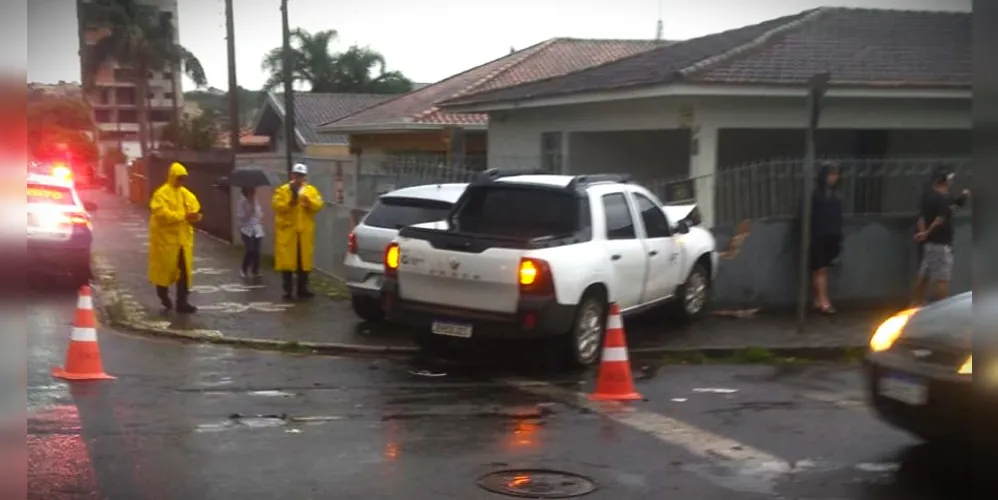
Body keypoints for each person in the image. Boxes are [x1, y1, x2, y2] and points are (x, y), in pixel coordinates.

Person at [148, 162, 202, 313]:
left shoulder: (186, 194)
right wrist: (183, 216)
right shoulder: (161, 194)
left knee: (184, 274)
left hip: (183, 242)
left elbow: (195, 209)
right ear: (172, 177)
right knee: (165, 272)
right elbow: (161, 214)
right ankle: (163, 295)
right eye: (179, 178)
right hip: (165, 242)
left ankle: (182, 302)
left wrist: (195, 217)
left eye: (183, 178)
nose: (181, 181)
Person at [912, 167, 969, 305]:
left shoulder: (928, 196)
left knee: (924, 275)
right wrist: (926, 232)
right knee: (942, 278)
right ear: (942, 181)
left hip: (929, 244)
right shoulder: (941, 199)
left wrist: (961, 201)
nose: (951, 182)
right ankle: (942, 306)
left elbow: (946, 212)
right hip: (941, 243)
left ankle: (916, 303)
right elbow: (941, 218)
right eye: (949, 179)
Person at [272, 163, 323, 300]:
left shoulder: (310, 191)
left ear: (305, 177)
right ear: (292, 175)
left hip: (304, 233)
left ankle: (303, 289)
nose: (299, 178)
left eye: (301, 176)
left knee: (303, 262)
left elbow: (318, 205)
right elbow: (276, 205)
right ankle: (288, 290)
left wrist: (309, 202)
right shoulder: (283, 190)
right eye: (297, 175)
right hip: (288, 232)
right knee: (287, 263)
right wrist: (289, 203)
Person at [809, 161, 843, 315]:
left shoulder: (835, 195)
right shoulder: (815, 195)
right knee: (820, 269)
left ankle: (818, 299)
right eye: (831, 174)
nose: (834, 178)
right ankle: (824, 301)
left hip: (831, 235)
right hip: (817, 236)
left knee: (821, 270)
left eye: (836, 174)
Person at [238, 187, 264, 278]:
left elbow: (260, 214)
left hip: (257, 229)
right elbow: (241, 217)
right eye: (250, 191)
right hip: (246, 229)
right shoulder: (242, 202)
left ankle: (255, 270)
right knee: (250, 250)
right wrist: (248, 212)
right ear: (246, 192)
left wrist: (257, 213)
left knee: (257, 251)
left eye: (253, 191)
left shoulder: (255, 201)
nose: (252, 193)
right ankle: (244, 269)